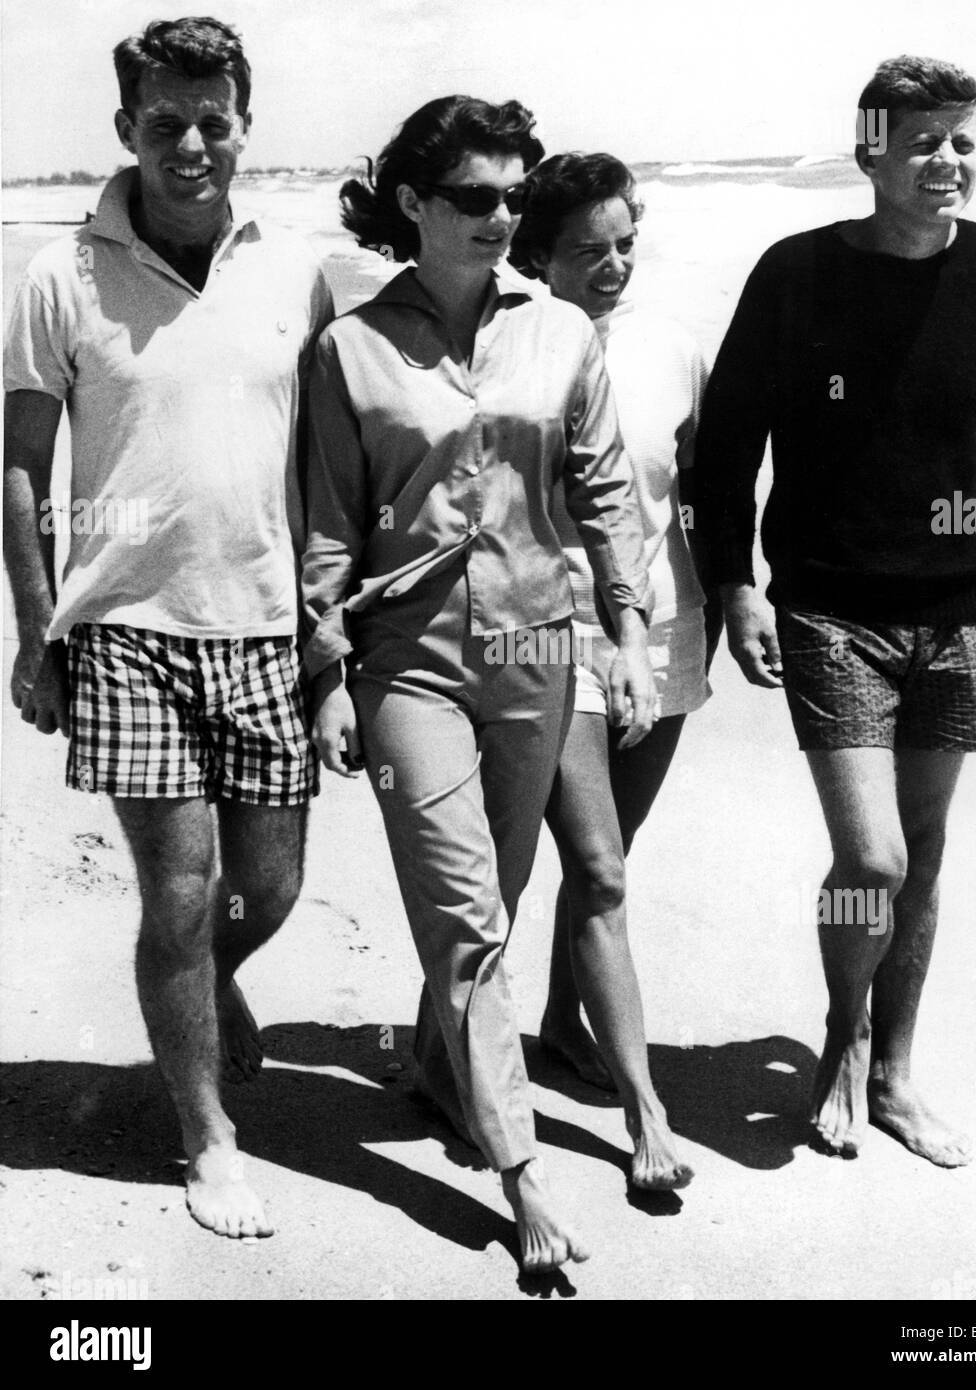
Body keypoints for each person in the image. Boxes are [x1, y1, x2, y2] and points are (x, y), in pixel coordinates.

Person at [301, 96, 656, 1272]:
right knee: (462, 915)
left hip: (536, 650)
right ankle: (521, 1174)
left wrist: (626, 633)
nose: (502, 217)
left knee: (493, 902)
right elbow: (327, 529)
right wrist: (327, 675)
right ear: (412, 202)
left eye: (514, 196)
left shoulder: (559, 332)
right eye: (473, 197)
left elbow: (603, 491)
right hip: (406, 664)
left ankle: (439, 1065)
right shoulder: (348, 349)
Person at [694, 55, 976, 1166]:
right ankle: (842, 1034)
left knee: (925, 848)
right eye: (922, 142)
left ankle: (895, 1070)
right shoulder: (797, 273)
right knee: (872, 861)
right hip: (830, 607)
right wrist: (734, 585)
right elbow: (728, 443)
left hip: (956, 608)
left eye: (963, 140)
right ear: (869, 152)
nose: (948, 161)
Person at [3, 17, 334, 1237]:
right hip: (126, 627)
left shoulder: (295, 272)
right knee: (180, 897)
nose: (190, 145)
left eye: (212, 121)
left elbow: (335, 448)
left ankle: (204, 982)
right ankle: (207, 1137)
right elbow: (21, 470)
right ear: (124, 129)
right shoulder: (62, 274)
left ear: (244, 125)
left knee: (269, 886)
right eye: (164, 123)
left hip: (264, 623)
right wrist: (36, 632)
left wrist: (329, 627)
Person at [510, 153, 710, 1188]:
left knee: (609, 854)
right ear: (536, 254)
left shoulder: (673, 347)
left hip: (664, 627)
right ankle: (645, 1114)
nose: (614, 264)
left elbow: (705, 486)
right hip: (552, 636)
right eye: (589, 250)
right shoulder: (510, 347)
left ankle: (557, 1020)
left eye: (626, 243)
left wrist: (738, 599)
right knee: (596, 868)